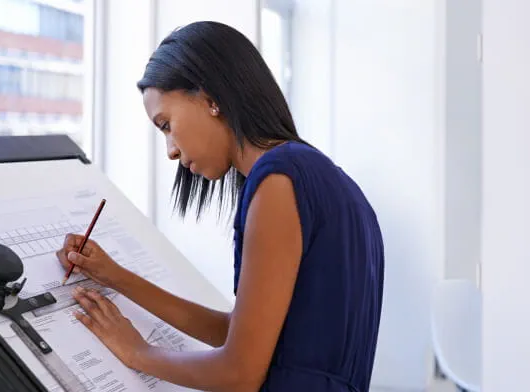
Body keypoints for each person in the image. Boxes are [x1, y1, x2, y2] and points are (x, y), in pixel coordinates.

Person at [56, 21, 384, 392]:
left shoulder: (279, 180)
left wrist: (136, 352)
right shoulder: (326, 179)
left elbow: (239, 373)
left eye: (166, 124)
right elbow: (236, 333)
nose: (171, 151)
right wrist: (115, 276)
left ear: (211, 97)